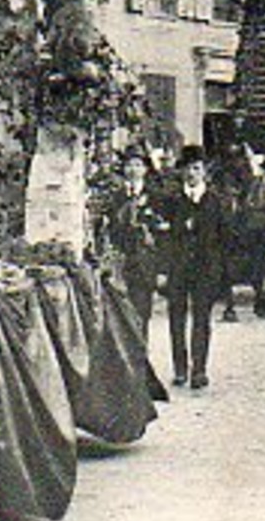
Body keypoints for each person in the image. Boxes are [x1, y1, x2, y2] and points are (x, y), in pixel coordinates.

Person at [156, 145, 230, 390]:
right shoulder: (172, 201)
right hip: (178, 268)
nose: (191, 174)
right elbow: (163, 239)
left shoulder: (216, 201)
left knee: (201, 319)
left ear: (204, 172)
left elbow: (224, 238)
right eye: (187, 169)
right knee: (176, 319)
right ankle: (180, 369)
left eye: (196, 169)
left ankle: (199, 370)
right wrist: (163, 269)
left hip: (205, 269)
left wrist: (221, 272)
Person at [97, 148, 165, 341]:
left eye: (137, 165)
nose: (133, 170)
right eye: (129, 165)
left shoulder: (156, 196)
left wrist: (161, 268)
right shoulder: (115, 197)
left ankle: (141, 360)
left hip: (145, 263)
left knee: (142, 313)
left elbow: (163, 235)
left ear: (144, 169)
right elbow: (109, 228)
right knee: (119, 313)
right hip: (121, 262)